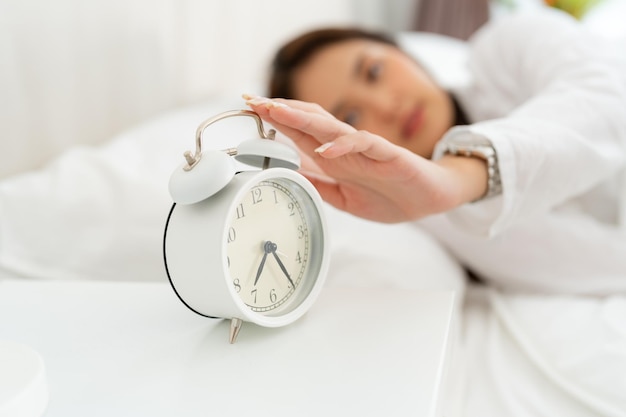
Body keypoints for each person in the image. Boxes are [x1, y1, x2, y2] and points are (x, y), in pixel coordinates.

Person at [244, 8, 626, 295]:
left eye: (374, 71)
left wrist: (460, 177)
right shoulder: (430, 215)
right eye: (351, 115)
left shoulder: (507, 49)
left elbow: (611, 96)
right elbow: (596, 266)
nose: (385, 105)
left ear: (402, 51)